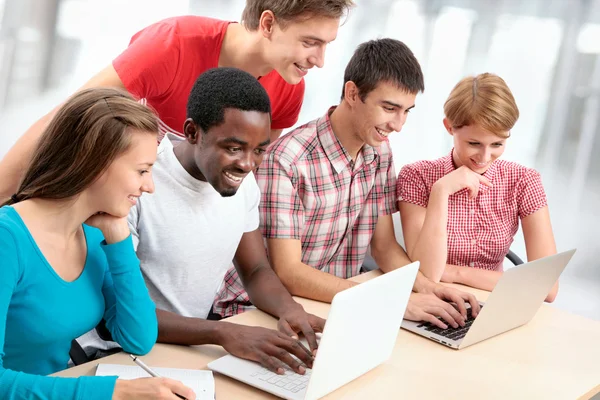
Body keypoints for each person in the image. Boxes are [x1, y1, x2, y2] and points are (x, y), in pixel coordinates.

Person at [215, 39, 481, 329]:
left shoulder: (379, 151)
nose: (399, 124)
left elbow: (384, 247)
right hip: (257, 311)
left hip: (335, 304)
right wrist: (389, 300)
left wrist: (426, 287)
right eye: (390, 108)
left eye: (407, 111)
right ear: (352, 93)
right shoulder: (288, 160)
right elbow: (288, 272)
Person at [0, 0, 355, 201]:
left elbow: (242, 172)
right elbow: (70, 120)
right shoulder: (173, 43)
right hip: (124, 195)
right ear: (267, 24)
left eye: (327, 45)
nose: (320, 60)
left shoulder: (289, 85)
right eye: (310, 42)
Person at [127, 67, 325, 377]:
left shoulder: (244, 184)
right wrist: (222, 333)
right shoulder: (140, 184)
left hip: (189, 349)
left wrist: (290, 310)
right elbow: (123, 314)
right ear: (193, 132)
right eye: (234, 148)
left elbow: (256, 269)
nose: (247, 164)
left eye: (258, 150)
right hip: (129, 352)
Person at [0, 88, 195, 400]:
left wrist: (119, 241)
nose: (150, 186)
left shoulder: (92, 234)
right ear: (95, 162)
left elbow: (138, 337)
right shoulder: (6, 240)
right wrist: (115, 392)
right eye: (142, 170)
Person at [397, 73, 558, 302]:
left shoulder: (524, 181)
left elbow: (548, 287)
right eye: (474, 143)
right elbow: (429, 274)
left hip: (495, 302)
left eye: (497, 144)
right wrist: (441, 191)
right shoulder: (417, 176)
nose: (484, 157)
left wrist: (455, 272)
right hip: (432, 302)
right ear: (449, 127)